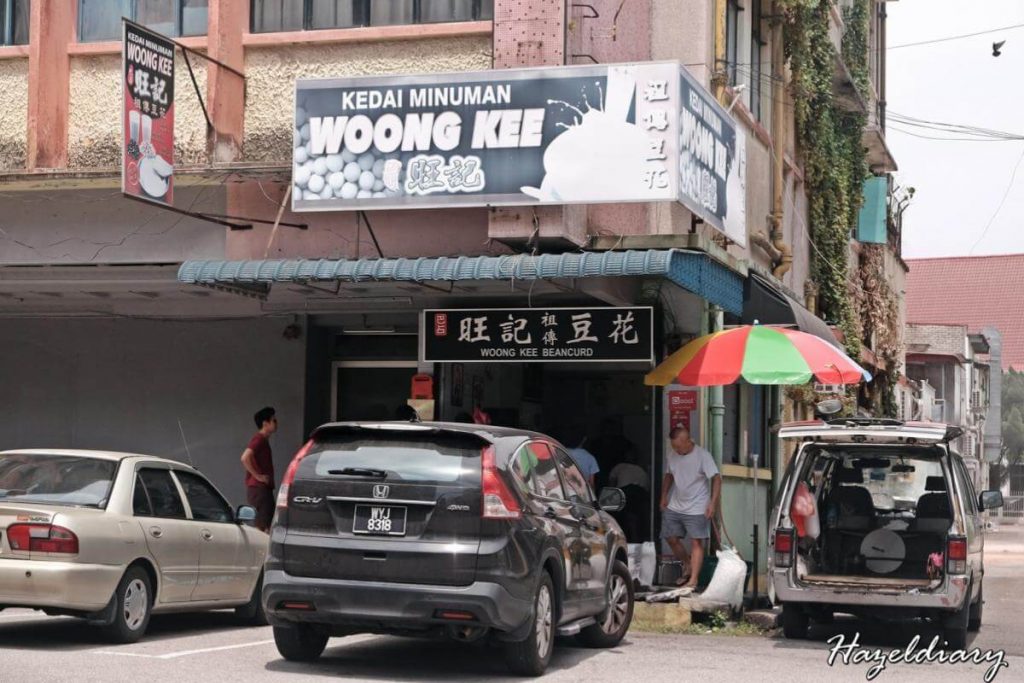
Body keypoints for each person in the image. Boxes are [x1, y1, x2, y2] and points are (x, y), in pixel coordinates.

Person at [660, 426, 721, 590]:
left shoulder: (703, 456)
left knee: (696, 542)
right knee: (670, 537)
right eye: (673, 446)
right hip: (675, 504)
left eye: (678, 446)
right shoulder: (672, 455)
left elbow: (716, 478)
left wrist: (712, 503)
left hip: (697, 506)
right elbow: (669, 475)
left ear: (687, 441)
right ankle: (687, 564)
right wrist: (663, 496)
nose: (676, 450)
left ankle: (693, 579)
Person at [240, 406, 278, 532]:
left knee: (267, 525)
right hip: (259, 490)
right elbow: (245, 457)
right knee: (261, 527)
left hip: (263, 490)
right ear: (265, 423)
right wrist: (258, 476)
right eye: (273, 420)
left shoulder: (263, 440)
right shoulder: (259, 439)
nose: (276, 423)